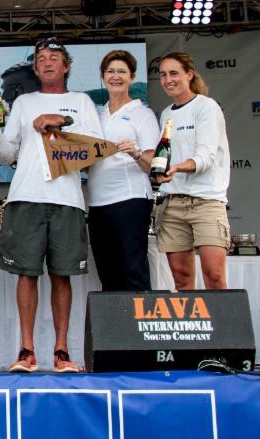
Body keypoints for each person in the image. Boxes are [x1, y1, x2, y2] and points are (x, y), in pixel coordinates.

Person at [0, 37, 102, 373]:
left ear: (66, 66)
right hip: (26, 196)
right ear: (35, 69)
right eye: (41, 59)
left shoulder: (81, 102)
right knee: (27, 274)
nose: (47, 62)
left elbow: (94, 151)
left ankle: (62, 352)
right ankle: (26, 351)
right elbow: (7, 155)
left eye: (54, 57)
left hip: (67, 199)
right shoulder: (22, 103)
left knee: (62, 275)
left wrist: (59, 122)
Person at [86, 50, 161, 291]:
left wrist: (136, 154)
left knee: (132, 269)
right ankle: (114, 327)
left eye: (121, 72)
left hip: (130, 199)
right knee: (106, 272)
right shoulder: (96, 115)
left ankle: (139, 326)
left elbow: (154, 164)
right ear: (102, 76)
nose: (115, 76)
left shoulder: (143, 114)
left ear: (131, 77)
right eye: (110, 71)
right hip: (97, 202)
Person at [155, 51, 230, 289]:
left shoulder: (206, 107)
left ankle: (223, 326)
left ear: (189, 74)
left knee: (214, 275)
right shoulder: (166, 114)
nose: (168, 80)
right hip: (173, 203)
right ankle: (192, 326)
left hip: (206, 201)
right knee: (181, 278)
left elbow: (206, 157)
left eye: (174, 73)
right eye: (163, 75)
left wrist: (177, 167)